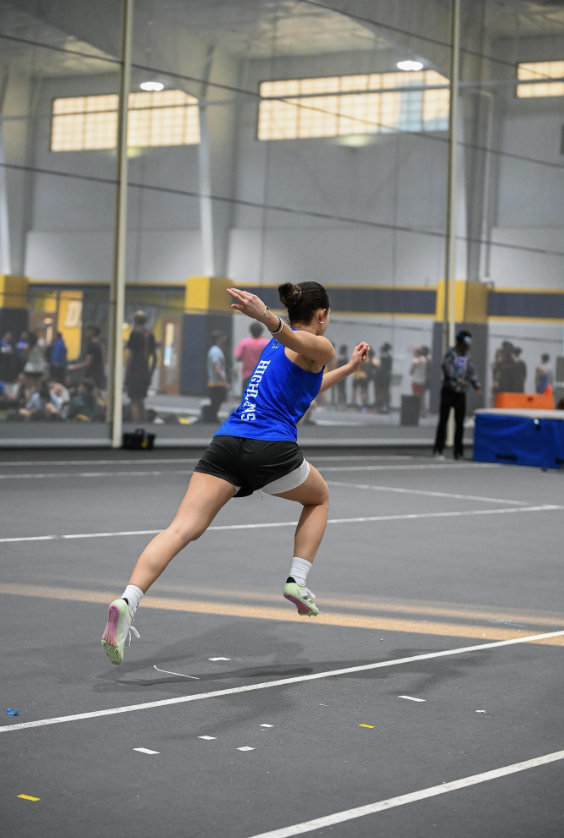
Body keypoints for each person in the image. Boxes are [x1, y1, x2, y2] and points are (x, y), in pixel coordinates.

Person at [101, 280, 370, 665]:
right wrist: (265, 317)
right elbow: (300, 343)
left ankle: (128, 599)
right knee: (320, 497)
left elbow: (306, 386)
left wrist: (348, 368)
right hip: (269, 447)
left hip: (227, 442)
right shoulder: (311, 343)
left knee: (180, 529)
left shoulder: (276, 347)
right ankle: (297, 581)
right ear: (323, 314)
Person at [433, 330, 482, 461]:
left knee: (459, 423)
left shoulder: (467, 356)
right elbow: (447, 368)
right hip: (449, 391)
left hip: (460, 393)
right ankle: (438, 449)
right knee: (443, 421)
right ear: (461, 342)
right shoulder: (451, 353)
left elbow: (471, 371)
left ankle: (458, 452)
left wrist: (476, 386)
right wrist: (456, 379)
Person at [125, 311, 157, 423]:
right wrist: (151, 373)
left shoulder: (134, 334)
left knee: (134, 401)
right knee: (141, 401)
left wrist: (127, 372)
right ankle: (144, 424)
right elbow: (155, 357)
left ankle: (136, 425)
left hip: (134, 372)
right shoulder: (150, 335)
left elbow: (130, 355)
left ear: (134, 320)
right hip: (145, 372)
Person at [235, 322, 269, 393]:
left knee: (246, 399)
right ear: (261, 331)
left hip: (247, 375)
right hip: (262, 376)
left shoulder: (244, 342)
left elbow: (237, 358)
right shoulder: (266, 343)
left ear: (250, 331)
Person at [68, 325, 105, 390]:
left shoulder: (91, 344)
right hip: (99, 372)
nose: (86, 332)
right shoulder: (100, 343)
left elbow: (88, 362)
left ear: (92, 332)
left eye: (87, 330)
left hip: (92, 373)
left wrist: (74, 366)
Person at [205, 331, 229, 423]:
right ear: (218, 339)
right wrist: (224, 382)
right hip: (216, 382)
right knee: (216, 403)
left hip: (217, 382)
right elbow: (217, 368)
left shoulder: (217, 350)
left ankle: (211, 418)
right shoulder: (215, 351)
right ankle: (210, 419)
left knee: (217, 402)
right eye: (222, 338)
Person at [410, 347, 428, 417]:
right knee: (422, 397)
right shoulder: (424, 360)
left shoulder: (415, 361)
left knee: (415, 397)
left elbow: (411, 371)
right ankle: (423, 412)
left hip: (416, 381)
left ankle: (416, 411)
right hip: (422, 381)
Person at [375, 342, 393, 413]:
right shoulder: (389, 356)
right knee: (386, 391)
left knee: (381, 391)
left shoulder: (383, 356)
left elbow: (381, 367)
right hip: (387, 376)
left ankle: (380, 406)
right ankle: (387, 406)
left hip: (381, 376)